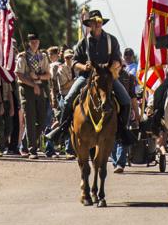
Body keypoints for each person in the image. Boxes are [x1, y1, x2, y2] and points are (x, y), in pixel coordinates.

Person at [45, 10, 133, 147]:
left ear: (102, 23)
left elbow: (117, 60)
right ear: (90, 24)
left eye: (99, 22)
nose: (97, 24)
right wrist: (84, 67)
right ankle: (62, 130)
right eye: (94, 22)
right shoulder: (82, 42)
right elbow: (74, 62)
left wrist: (110, 66)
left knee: (126, 101)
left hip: (107, 77)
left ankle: (122, 132)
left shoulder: (112, 40)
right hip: (87, 77)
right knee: (68, 100)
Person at [14, 33, 51, 159]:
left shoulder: (43, 56)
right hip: (27, 89)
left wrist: (39, 78)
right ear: (28, 43)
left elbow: (48, 75)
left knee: (42, 119)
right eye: (32, 41)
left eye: (36, 41)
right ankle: (32, 150)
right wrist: (32, 83)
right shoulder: (23, 57)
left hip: (40, 87)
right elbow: (19, 75)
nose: (35, 43)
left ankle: (25, 144)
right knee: (30, 119)